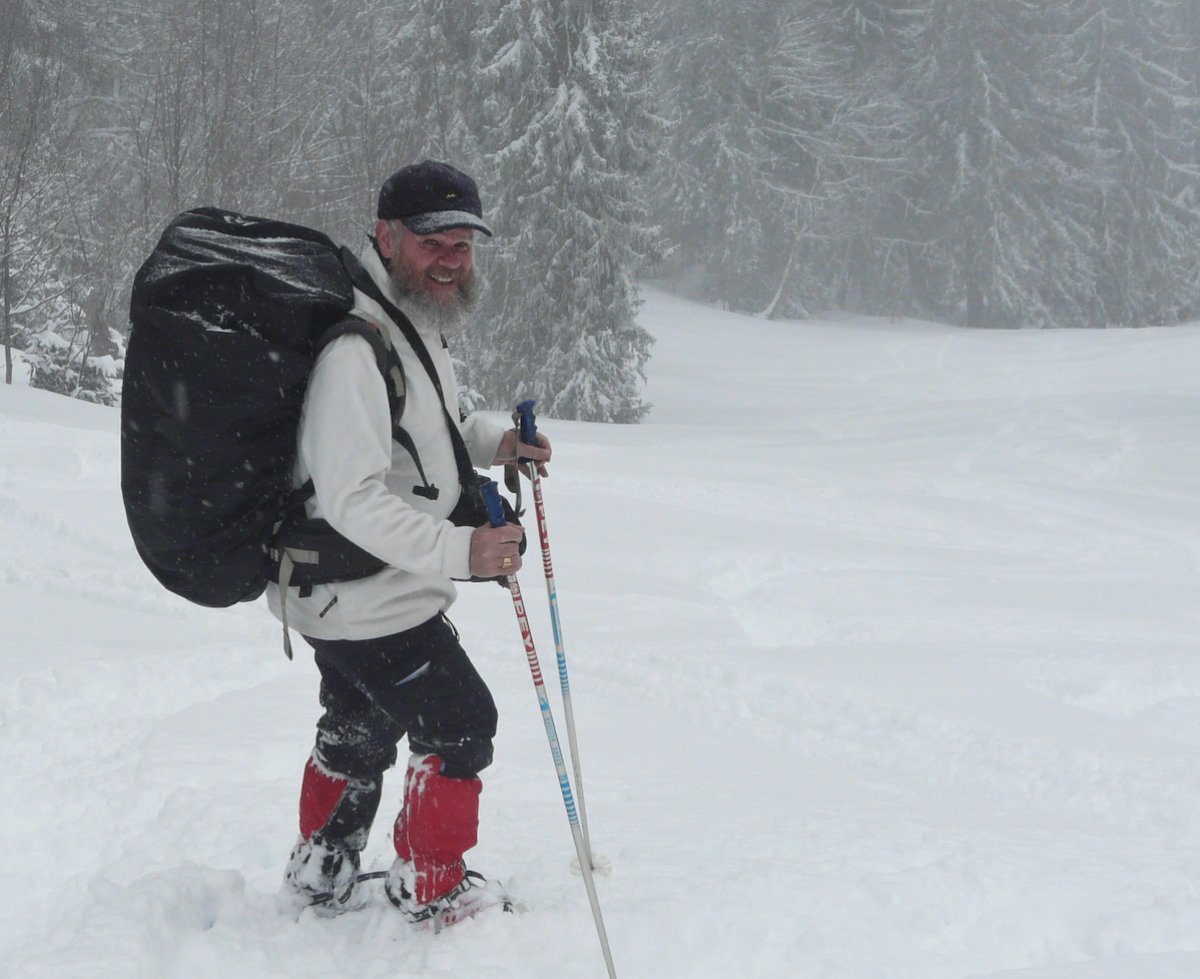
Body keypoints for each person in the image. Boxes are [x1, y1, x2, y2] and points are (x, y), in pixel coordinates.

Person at [268, 160, 551, 921]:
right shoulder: (355, 350)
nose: (451, 260)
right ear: (387, 236)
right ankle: (432, 882)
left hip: (340, 588)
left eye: (463, 244)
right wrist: (463, 552)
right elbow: (351, 496)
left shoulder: (406, 323)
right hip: (365, 591)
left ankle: (322, 865)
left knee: (360, 721)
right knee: (461, 722)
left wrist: (497, 444)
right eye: (433, 242)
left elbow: (426, 434)